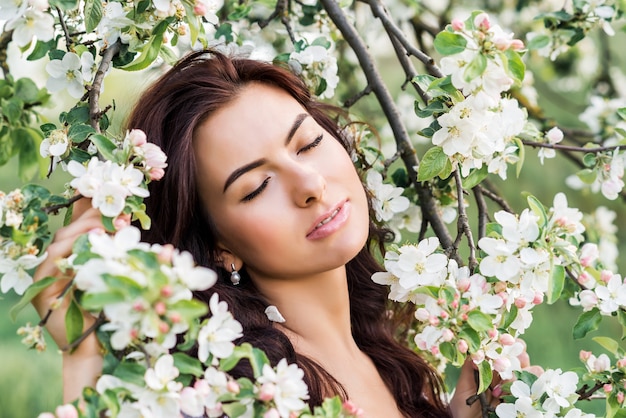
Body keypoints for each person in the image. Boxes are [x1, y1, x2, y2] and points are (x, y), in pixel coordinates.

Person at [32, 50, 495, 417]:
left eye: (308, 143)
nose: (310, 185)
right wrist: (82, 357)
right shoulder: (239, 391)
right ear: (218, 247)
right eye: (255, 187)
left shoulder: (389, 354)